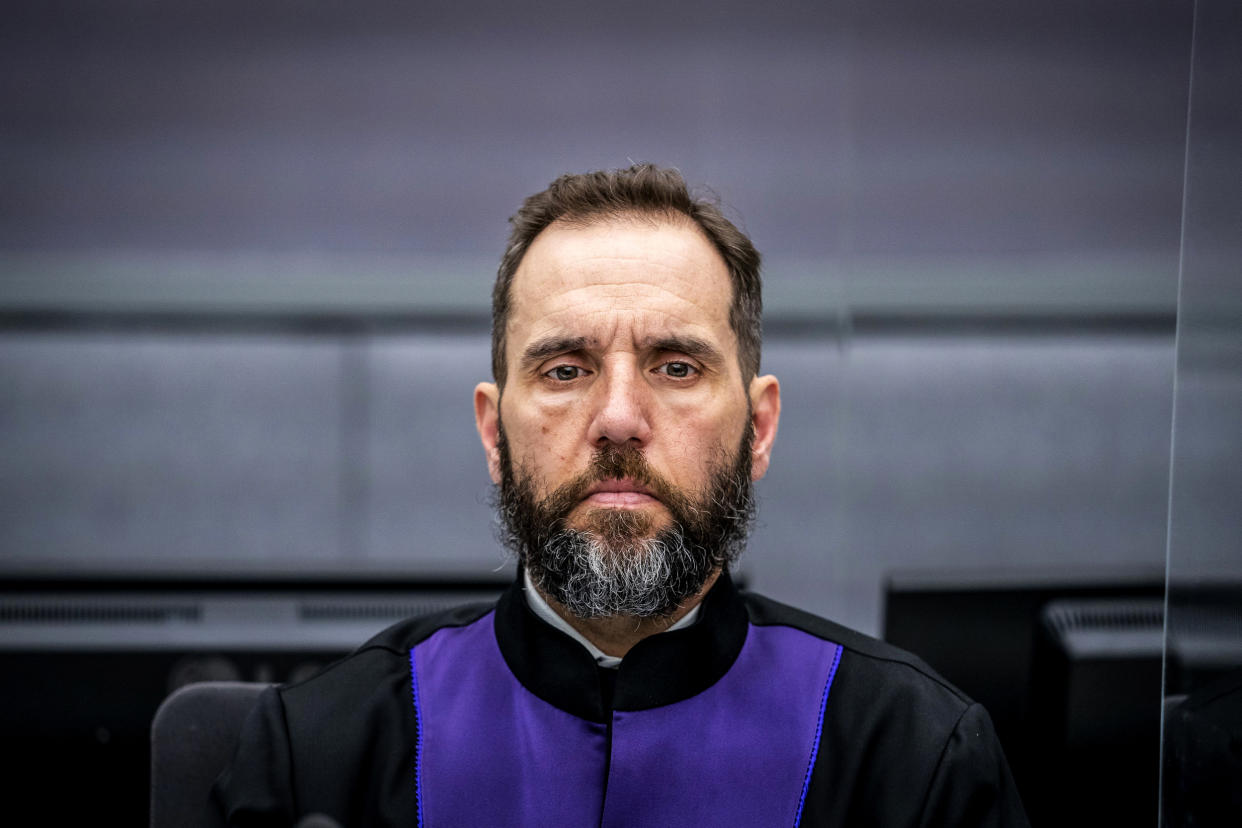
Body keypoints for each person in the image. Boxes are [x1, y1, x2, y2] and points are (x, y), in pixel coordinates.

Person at [214, 165, 1029, 827]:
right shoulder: (320, 757)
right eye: (564, 370)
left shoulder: (915, 760)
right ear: (495, 434)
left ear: (762, 427)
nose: (617, 419)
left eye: (677, 367)